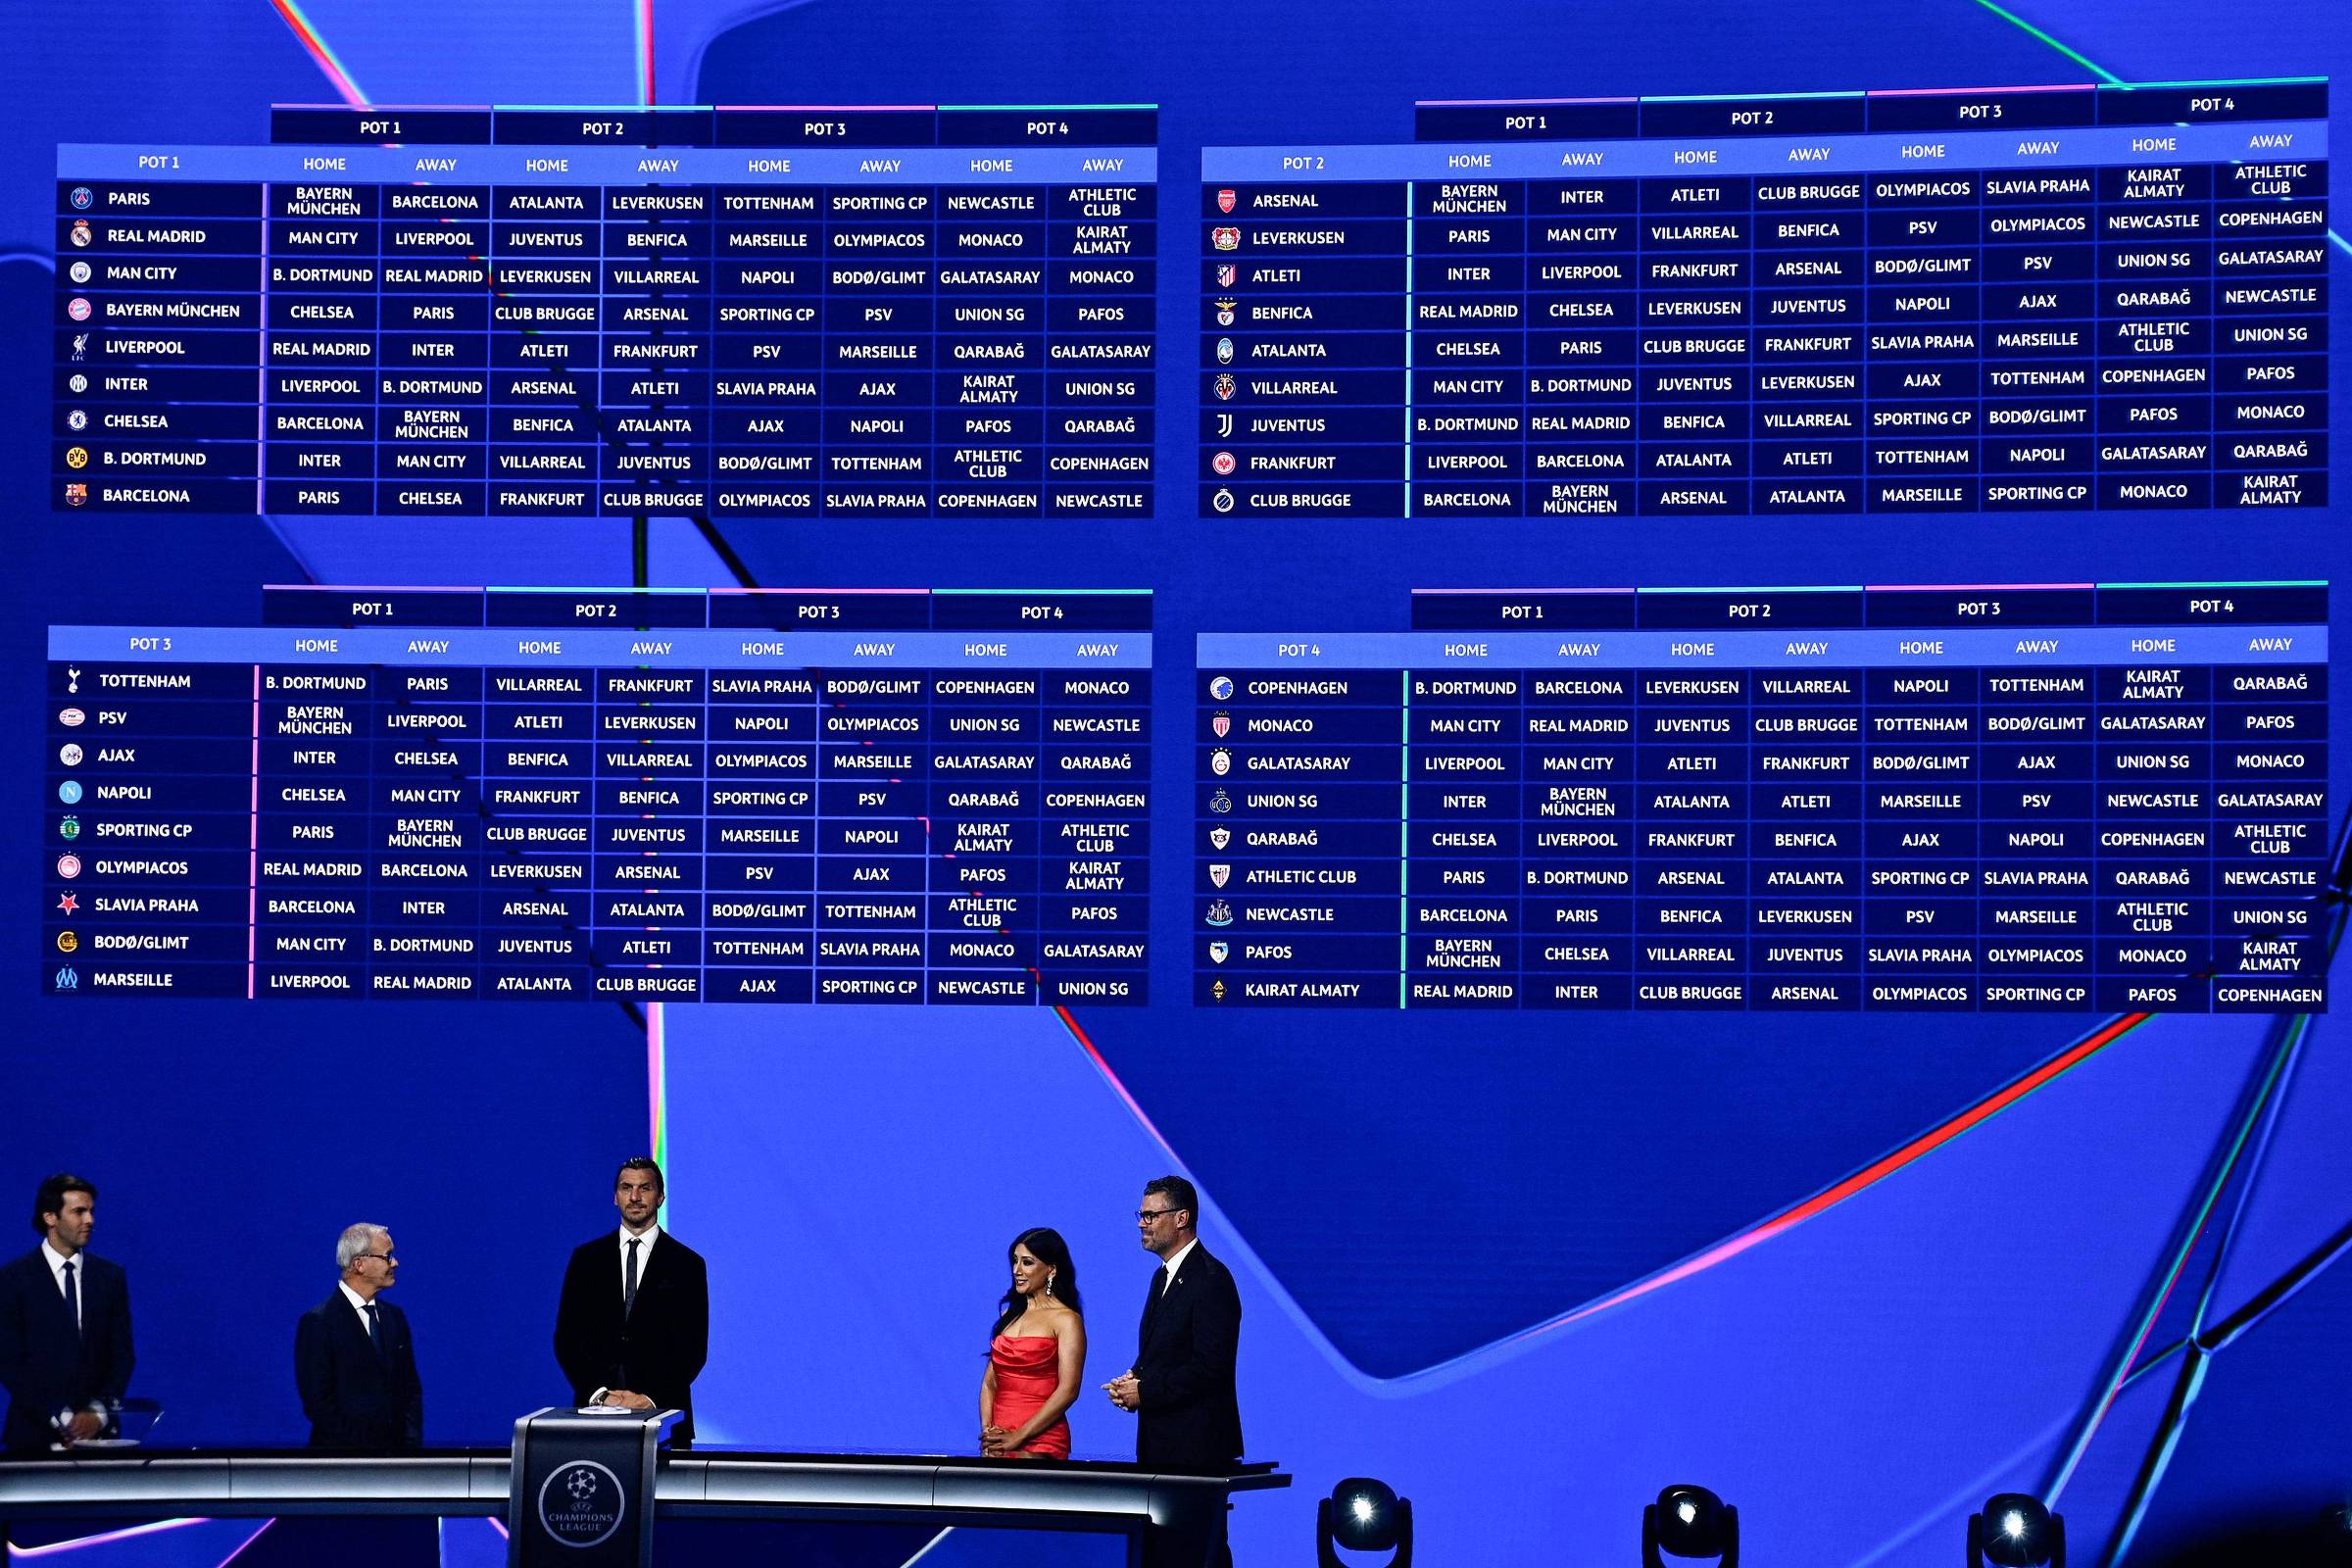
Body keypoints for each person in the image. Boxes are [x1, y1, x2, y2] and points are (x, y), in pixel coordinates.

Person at [1103, 1177, 1243, 1566]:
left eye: (1151, 1215)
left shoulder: (1212, 1280)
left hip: (1196, 1454)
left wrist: (1146, 1392)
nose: (1141, 1223)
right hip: (1161, 1450)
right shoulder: (1162, 1276)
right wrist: (1134, 1378)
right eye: (1141, 1214)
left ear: (1182, 1218)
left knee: (1199, 1555)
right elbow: (1166, 1353)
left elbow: (1210, 1368)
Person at [554, 1157, 709, 1443]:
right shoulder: (586, 1260)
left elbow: (693, 1349)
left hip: (665, 1420)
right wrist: (601, 1395)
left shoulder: (688, 1265)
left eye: (644, 1188)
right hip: (594, 1418)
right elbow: (567, 1339)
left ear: (660, 1197)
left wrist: (649, 1399)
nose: (635, 1197)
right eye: (626, 1188)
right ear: (616, 1197)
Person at [0, 1174, 134, 1453]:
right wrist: (62, 1418)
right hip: (33, 1440)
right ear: (50, 1217)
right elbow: (9, 1361)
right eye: (79, 1212)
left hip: (100, 1441)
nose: (90, 1220)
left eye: (91, 1211)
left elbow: (122, 1355)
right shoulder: (13, 1279)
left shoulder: (110, 1277)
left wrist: (97, 1414)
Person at [294, 1223, 421, 1450]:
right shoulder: (319, 1323)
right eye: (387, 1256)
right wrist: (366, 1452)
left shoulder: (394, 1318)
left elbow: (410, 1390)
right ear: (359, 1264)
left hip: (397, 1461)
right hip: (342, 1461)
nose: (395, 1263)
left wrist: (410, 1447)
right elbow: (318, 1403)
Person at [979, 1228, 1085, 1460]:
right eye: (1015, 1261)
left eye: (1027, 1262)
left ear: (1051, 1270)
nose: (1017, 1270)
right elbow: (989, 1383)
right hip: (999, 1436)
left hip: (1041, 1439)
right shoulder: (1009, 1316)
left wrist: (1019, 1436)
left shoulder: (1067, 1320)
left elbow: (1069, 1390)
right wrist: (988, 1433)